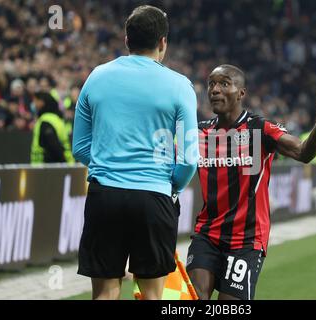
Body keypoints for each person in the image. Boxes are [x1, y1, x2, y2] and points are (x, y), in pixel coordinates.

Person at [186, 64, 316, 300]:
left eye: (224, 83)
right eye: (212, 84)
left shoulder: (260, 129)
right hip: (207, 234)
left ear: (241, 93)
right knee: (194, 298)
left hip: (246, 240)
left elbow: (304, 153)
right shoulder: (198, 133)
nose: (214, 89)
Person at [72, 5, 198, 300]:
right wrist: (171, 184)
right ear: (163, 42)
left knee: (104, 293)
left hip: (105, 196)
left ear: (126, 39)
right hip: (154, 198)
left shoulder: (97, 77)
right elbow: (190, 157)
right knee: (152, 296)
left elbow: (79, 146)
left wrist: (109, 166)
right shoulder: (180, 86)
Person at [30, 92, 74, 164]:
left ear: (41, 102)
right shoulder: (56, 119)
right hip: (64, 164)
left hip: (48, 168)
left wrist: (64, 165)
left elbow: (53, 146)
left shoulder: (45, 121)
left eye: (35, 101)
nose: (34, 104)